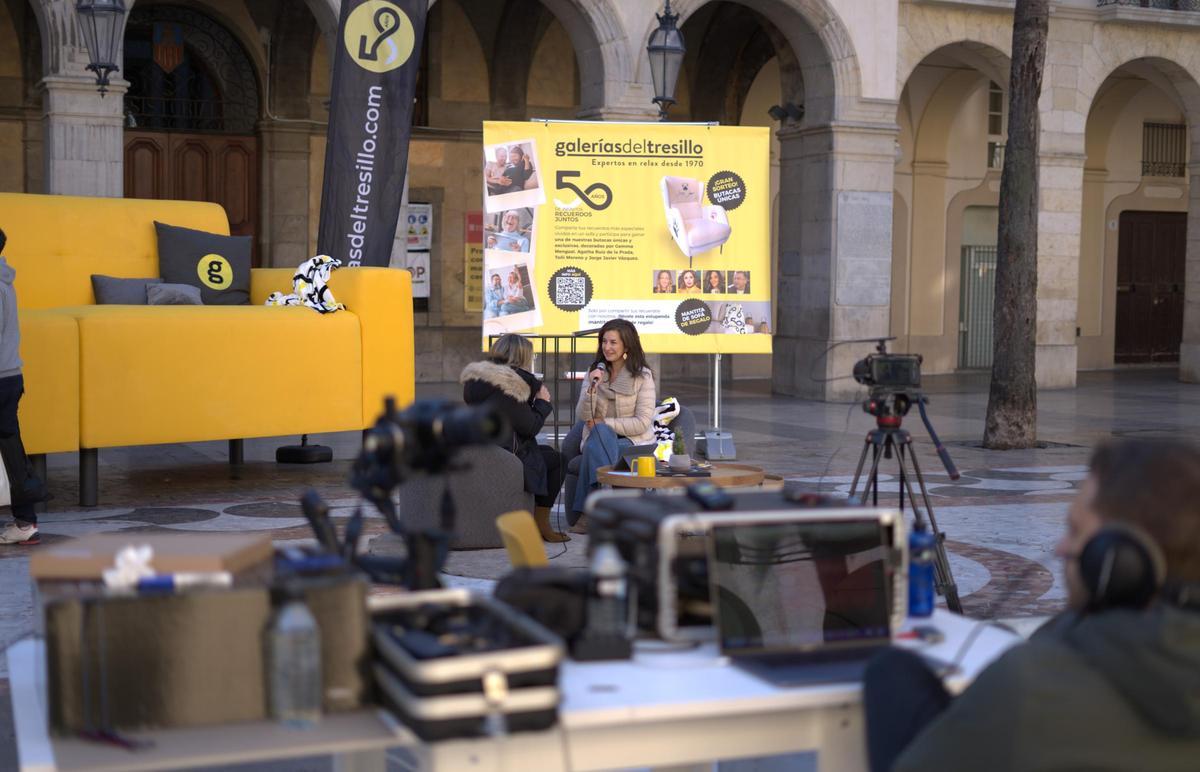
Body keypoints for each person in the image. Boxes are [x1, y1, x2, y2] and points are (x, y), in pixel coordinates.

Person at [864, 438, 1200, 772]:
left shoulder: (1030, 687)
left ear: (1122, 560)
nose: (1060, 548)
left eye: (1075, 531)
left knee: (891, 672)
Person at [461, 335, 568, 543]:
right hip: (507, 456)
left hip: (490, 449)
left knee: (548, 454)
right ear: (522, 357)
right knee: (559, 461)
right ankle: (541, 523)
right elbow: (529, 427)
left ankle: (535, 518)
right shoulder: (508, 388)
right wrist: (542, 403)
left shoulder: (479, 381)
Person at [569, 319, 656, 532]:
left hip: (633, 442)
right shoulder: (595, 373)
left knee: (598, 437)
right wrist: (591, 388)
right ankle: (612, 508)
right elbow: (583, 415)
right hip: (598, 438)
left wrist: (605, 422)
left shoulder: (642, 376)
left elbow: (642, 422)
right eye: (604, 342)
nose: (607, 347)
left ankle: (589, 513)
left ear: (626, 346)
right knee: (599, 435)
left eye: (613, 342)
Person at [0, 228, 46, 546]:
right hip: (10, 375)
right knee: (12, 450)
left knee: (12, 451)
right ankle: (26, 521)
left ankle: (26, 521)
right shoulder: (5, 281)